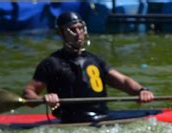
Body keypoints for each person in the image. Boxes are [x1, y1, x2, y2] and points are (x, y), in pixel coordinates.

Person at [22, 11, 154, 123]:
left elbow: (123, 81)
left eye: (80, 28)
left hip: (103, 117)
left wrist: (141, 90)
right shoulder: (51, 63)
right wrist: (43, 99)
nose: (78, 33)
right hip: (70, 121)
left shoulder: (94, 59)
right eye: (73, 30)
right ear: (61, 33)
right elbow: (28, 94)